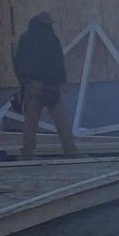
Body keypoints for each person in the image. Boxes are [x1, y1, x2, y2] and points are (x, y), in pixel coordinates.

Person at [13, 11, 78, 159]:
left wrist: (23, 82)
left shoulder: (24, 39)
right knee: (61, 120)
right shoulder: (52, 39)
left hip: (32, 86)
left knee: (30, 122)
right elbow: (58, 62)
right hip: (51, 85)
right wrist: (62, 82)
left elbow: (17, 62)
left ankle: (27, 152)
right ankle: (70, 150)